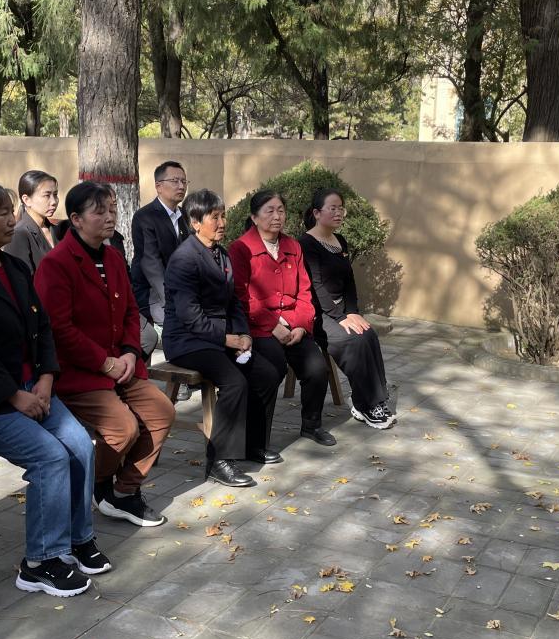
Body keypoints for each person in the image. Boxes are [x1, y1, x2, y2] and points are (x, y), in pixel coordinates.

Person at [0, 181, 110, 600]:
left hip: (35, 387)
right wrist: (15, 395)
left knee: (80, 447)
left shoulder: (14, 267)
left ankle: (77, 539)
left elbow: (42, 327)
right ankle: (40, 561)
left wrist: (46, 378)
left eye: (11, 210)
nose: (12, 219)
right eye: (2, 212)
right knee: (50, 457)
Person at [34, 182, 175, 527]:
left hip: (121, 366)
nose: (110, 217)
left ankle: (123, 491)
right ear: (76, 219)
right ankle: (96, 484)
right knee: (122, 429)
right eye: (100, 212)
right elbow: (59, 328)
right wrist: (104, 362)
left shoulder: (112, 256)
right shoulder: (56, 264)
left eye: (112, 210)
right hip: (80, 372)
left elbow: (130, 311)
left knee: (161, 412)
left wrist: (129, 352)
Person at [162, 189, 282, 488]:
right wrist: (228, 340)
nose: (222, 223)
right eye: (214, 217)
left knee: (267, 373)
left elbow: (234, 303)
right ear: (195, 222)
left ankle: (253, 444)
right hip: (188, 341)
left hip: (220, 336)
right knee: (234, 382)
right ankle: (220, 461)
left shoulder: (222, 254)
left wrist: (243, 334)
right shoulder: (184, 259)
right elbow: (190, 317)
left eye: (223, 216)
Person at [229, 189, 336, 447]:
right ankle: (258, 440)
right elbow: (242, 297)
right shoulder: (241, 248)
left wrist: (301, 326)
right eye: (270, 211)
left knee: (317, 368)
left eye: (281, 210)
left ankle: (312, 425)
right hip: (259, 328)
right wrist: (272, 325)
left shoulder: (292, 246)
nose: (277, 216)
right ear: (254, 217)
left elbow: (305, 293)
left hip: (293, 325)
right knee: (272, 368)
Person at [300, 188, 396, 430]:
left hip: (342, 310)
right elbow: (316, 287)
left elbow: (349, 281)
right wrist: (340, 317)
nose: (338, 213)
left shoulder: (340, 240)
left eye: (341, 208)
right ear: (317, 213)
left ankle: (374, 400)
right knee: (353, 340)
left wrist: (352, 311)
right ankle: (365, 404)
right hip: (319, 313)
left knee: (368, 334)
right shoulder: (306, 244)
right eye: (332, 208)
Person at [130, 161, 191, 357]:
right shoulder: (145, 217)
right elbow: (151, 264)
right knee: (186, 323)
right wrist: (172, 299)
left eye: (184, 181)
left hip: (181, 290)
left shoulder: (185, 217)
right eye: (175, 181)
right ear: (158, 186)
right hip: (153, 292)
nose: (181, 186)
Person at [4, 170, 59, 273]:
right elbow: (20, 278)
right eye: (47, 195)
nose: (54, 201)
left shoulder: (58, 230)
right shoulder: (18, 234)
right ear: (27, 200)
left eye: (55, 194)